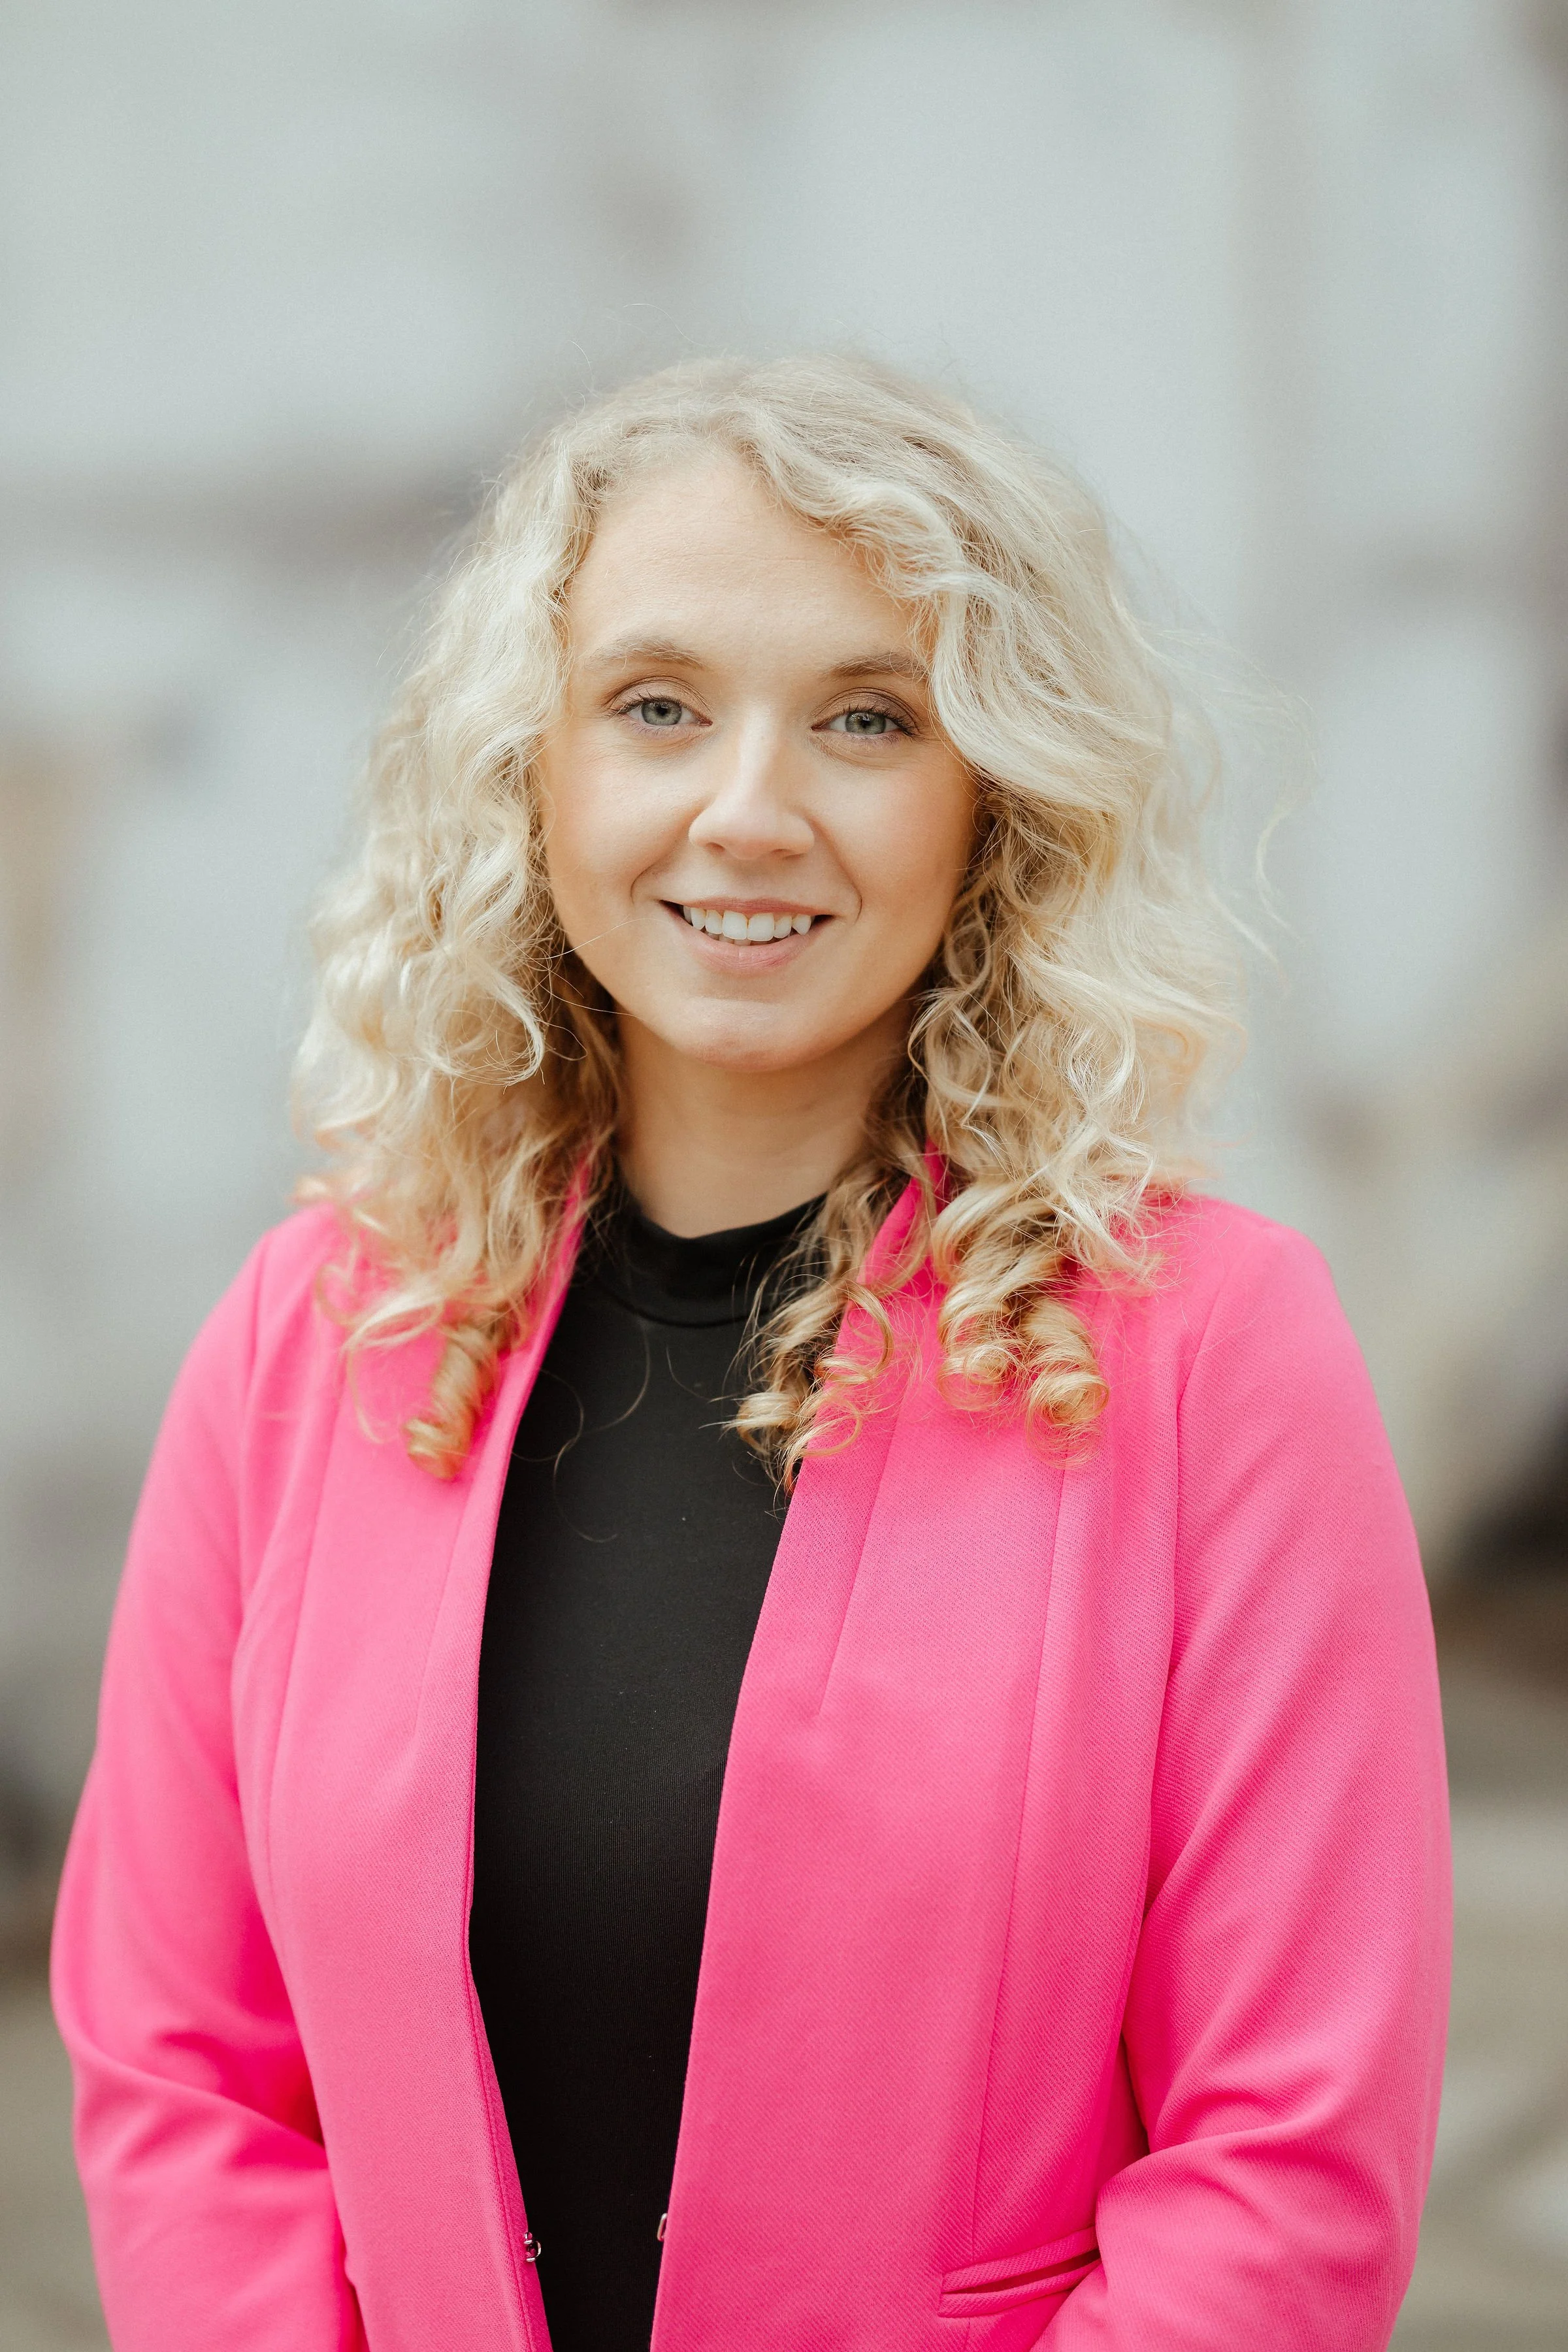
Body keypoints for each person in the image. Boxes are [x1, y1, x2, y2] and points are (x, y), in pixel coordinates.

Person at [50, 355, 1450, 2352]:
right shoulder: (318, 1332)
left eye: (869, 717)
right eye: (658, 706)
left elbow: (1289, 2168)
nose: (750, 810)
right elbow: (182, 2073)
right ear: (532, 770)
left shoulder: (1212, 1355)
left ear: (994, 799)